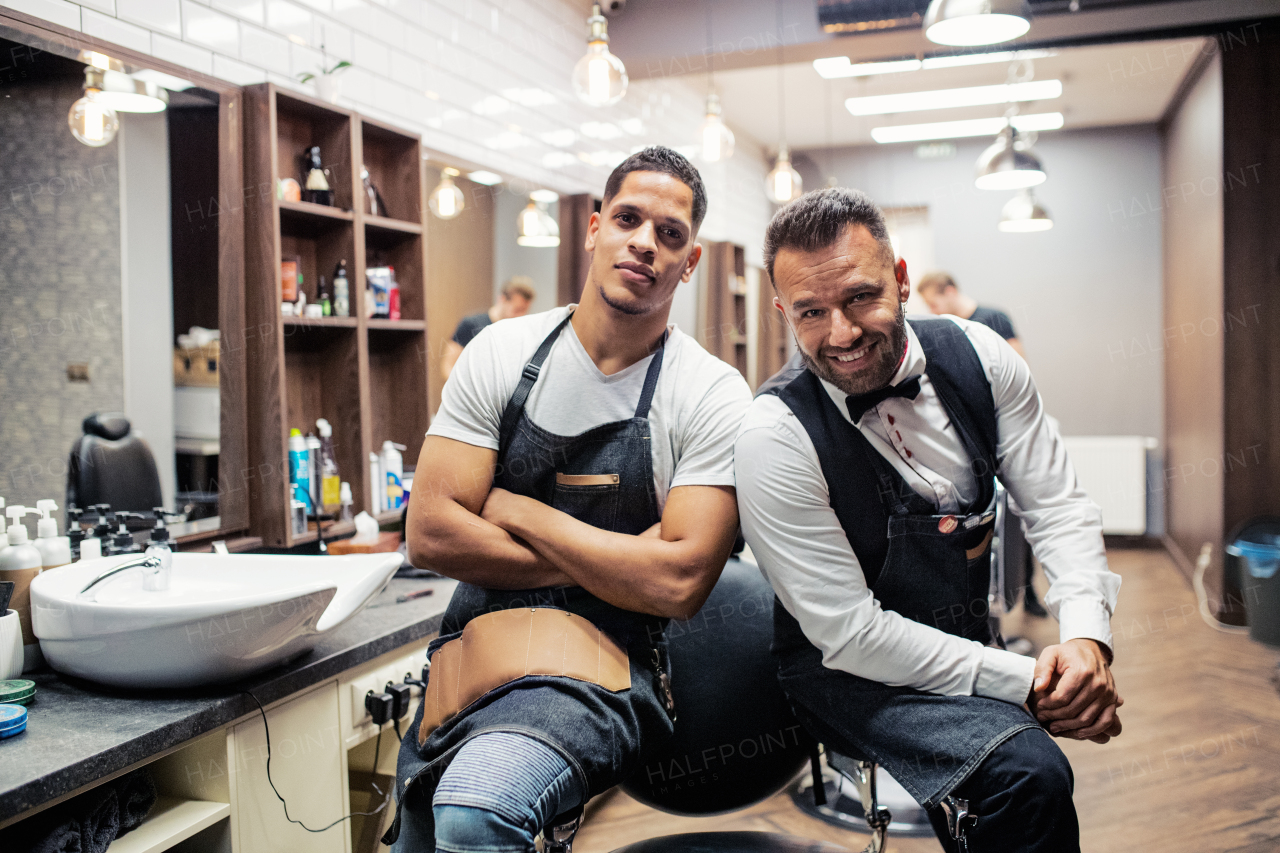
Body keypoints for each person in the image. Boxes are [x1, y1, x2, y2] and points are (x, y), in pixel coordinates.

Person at [386, 146, 752, 853]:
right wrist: (621, 561)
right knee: (423, 837)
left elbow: (677, 582)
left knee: (477, 809)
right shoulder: (500, 352)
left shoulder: (707, 392)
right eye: (628, 219)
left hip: (604, 671)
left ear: (690, 261)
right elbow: (430, 533)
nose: (645, 242)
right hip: (474, 655)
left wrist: (518, 510)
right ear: (593, 229)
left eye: (669, 234)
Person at [735, 188, 1123, 852]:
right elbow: (852, 633)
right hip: (847, 669)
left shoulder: (982, 356)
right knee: (1026, 776)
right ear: (782, 312)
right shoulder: (773, 435)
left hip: (965, 637)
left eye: (861, 296)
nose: (842, 333)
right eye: (811, 312)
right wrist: (1030, 679)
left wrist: (1087, 638)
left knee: (1003, 787)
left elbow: (1055, 505)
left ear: (904, 279)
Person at [919, 271, 1049, 619]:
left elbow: (1018, 369)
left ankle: (1029, 591)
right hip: (967, 438)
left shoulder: (992, 318)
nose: (931, 310)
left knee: (1018, 516)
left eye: (933, 301)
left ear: (950, 291)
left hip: (997, 430)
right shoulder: (942, 330)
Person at [440, 277, 537, 382]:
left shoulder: (520, 330)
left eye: (525, 311)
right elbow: (448, 366)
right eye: (517, 310)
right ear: (502, 299)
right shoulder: (471, 324)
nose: (521, 315)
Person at [916, 270, 1026, 358]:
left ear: (950, 292)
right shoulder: (945, 329)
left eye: (933, 305)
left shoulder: (996, 318)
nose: (931, 312)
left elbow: (1020, 366)